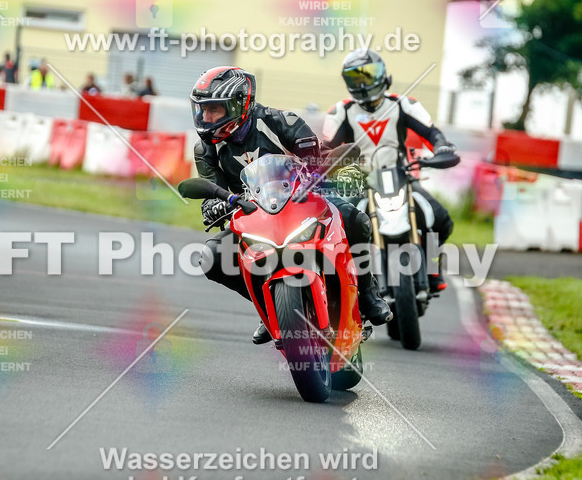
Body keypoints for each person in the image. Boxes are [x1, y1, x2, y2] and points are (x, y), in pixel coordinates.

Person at [190, 65, 391, 344]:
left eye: (215, 109)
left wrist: (339, 173)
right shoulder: (205, 149)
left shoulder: (280, 120)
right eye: (202, 109)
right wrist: (213, 205)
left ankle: (368, 293)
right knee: (211, 256)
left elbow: (315, 160)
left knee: (356, 220)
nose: (205, 116)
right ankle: (268, 306)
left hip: (303, 200)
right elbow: (214, 190)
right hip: (254, 215)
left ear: (238, 104)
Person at [322, 48, 457, 291]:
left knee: (440, 217)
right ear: (347, 82)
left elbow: (433, 133)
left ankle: (431, 264)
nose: (363, 84)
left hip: (400, 175)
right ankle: (356, 285)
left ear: (383, 74)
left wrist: (443, 147)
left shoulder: (403, 103)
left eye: (368, 75)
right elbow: (324, 149)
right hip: (360, 182)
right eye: (355, 78)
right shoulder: (340, 111)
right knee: (343, 226)